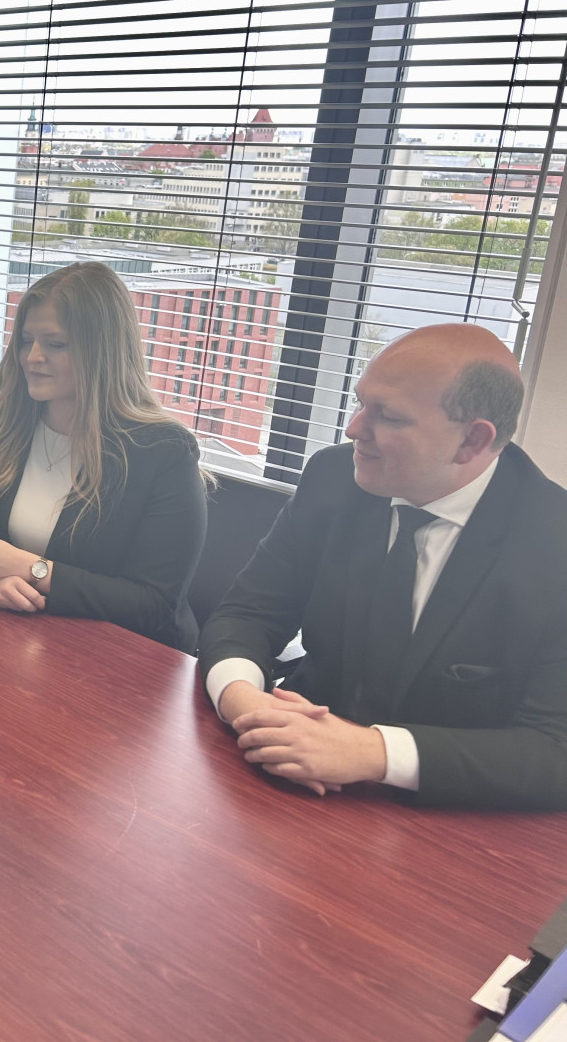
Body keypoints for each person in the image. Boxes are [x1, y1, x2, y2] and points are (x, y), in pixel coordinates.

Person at [201, 323, 567, 810]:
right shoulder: (334, 477)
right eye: (361, 403)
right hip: (288, 777)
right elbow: (247, 615)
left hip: (452, 817)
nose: (354, 429)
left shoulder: (553, 542)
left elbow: (554, 748)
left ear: (472, 441)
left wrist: (373, 752)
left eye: (388, 417)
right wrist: (245, 702)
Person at [0, 261, 207, 651]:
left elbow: (153, 605)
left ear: (102, 352)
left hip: (124, 658)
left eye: (55, 344)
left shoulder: (162, 450)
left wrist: (30, 569)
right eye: (26, 340)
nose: (32, 357)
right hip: (19, 636)